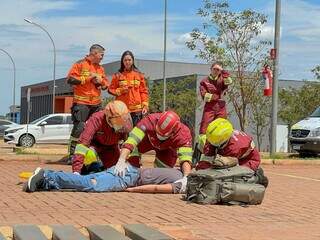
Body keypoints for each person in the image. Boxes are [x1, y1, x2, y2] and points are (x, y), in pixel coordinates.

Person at [113, 111, 193, 178]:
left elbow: (185, 159)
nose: (159, 136)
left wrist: (186, 177)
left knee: (162, 174)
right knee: (133, 154)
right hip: (146, 142)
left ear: (173, 133)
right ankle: (132, 168)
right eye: (157, 132)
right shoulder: (149, 121)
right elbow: (131, 141)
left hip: (167, 148)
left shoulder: (183, 134)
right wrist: (121, 160)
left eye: (162, 135)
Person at [67, 44, 109, 161]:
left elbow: (105, 86)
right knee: (79, 128)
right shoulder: (80, 64)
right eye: (102, 55)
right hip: (81, 102)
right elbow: (70, 79)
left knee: (97, 129)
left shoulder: (101, 68)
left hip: (96, 104)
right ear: (95, 53)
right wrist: (87, 79)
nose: (102, 57)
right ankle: (72, 155)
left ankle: (93, 155)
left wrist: (101, 81)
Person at [23, 166, 186, 194]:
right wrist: (132, 190)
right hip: (128, 179)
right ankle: (47, 175)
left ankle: (45, 182)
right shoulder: (183, 184)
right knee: (91, 185)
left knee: (88, 181)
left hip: (127, 171)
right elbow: (156, 189)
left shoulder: (181, 172)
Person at [71, 100, 133, 175]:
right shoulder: (96, 119)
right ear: (109, 119)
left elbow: (129, 144)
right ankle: (88, 170)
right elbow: (83, 144)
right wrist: (76, 170)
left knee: (115, 171)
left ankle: (102, 169)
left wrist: (127, 162)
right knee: (89, 154)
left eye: (124, 119)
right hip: (94, 146)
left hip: (111, 147)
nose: (122, 123)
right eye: (118, 120)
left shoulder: (124, 124)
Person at [192, 63, 232, 164]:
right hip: (209, 108)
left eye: (219, 70)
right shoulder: (204, 82)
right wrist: (216, 96)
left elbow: (229, 83)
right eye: (215, 69)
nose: (216, 71)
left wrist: (226, 75)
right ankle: (198, 157)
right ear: (211, 69)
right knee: (203, 132)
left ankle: (221, 156)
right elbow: (205, 96)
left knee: (223, 130)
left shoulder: (223, 79)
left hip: (221, 108)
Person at [196, 118, 261, 172]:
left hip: (249, 161)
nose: (210, 144)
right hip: (233, 153)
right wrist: (200, 169)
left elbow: (223, 166)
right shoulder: (213, 136)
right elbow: (207, 157)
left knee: (228, 174)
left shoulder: (234, 148)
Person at [108, 50, 149, 125]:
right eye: (125, 60)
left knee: (136, 133)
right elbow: (110, 90)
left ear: (133, 61)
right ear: (122, 61)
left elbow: (143, 91)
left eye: (129, 60)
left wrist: (145, 106)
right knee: (121, 133)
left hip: (137, 111)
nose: (127, 62)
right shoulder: (117, 75)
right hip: (122, 110)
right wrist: (120, 91)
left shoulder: (139, 75)